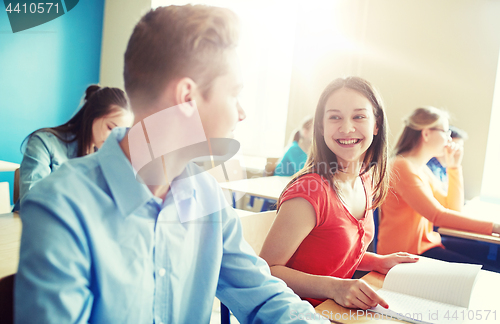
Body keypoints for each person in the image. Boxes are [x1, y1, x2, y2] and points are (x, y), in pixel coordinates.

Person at [15, 5, 328, 324]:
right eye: (234, 94)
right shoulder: (62, 207)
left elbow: (265, 296)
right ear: (187, 99)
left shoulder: (207, 197)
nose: (242, 113)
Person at [259, 77, 418, 310]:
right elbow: (267, 271)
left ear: (376, 124)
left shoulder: (366, 180)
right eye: (335, 117)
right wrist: (334, 287)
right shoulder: (309, 192)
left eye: (359, 116)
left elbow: (330, 253)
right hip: (295, 313)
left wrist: (378, 262)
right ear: (322, 127)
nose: (346, 128)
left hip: (334, 310)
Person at [378, 106, 500, 271]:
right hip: (405, 255)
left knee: (492, 255)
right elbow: (437, 216)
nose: (449, 139)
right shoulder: (401, 166)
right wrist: (494, 227)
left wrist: (454, 167)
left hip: (426, 245)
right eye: (446, 132)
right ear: (426, 134)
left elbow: (453, 209)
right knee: (485, 269)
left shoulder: (421, 168)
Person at [15, 85, 133, 210]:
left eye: (120, 134)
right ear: (92, 115)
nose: (114, 139)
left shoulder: (105, 158)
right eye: (110, 128)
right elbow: (33, 203)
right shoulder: (43, 143)